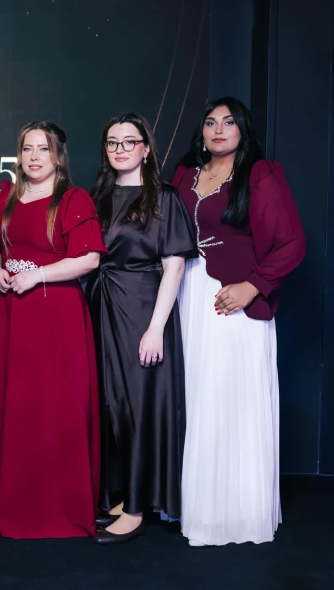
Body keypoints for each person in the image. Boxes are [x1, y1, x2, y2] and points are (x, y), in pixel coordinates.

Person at [172, 97, 305, 546]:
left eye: (228, 122)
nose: (218, 129)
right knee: (195, 397)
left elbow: (292, 243)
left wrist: (254, 285)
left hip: (235, 299)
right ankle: (194, 505)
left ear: (242, 130)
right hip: (188, 295)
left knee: (230, 398)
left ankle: (235, 513)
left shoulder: (260, 174)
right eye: (210, 122)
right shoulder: (185, 174)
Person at [0, 121, 106, 539]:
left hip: (57, 317)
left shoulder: (72, 199)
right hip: (14, 314)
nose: (34, 157)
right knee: (20, 408)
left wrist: (37, 275)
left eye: (43, 149)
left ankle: (59, 507)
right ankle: (17, 503)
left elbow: (89, 259)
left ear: (58, 156)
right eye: (27, 149)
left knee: (56, 408)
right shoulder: (5, 198)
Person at [86, 113, 196, 545]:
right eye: (112, 143)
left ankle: (135, 510)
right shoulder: (98, 195)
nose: (120, 149)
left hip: (142, 308)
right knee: (110, 405)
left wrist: (155, 329)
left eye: (129, 142)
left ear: (146, 149)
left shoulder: (164, 197)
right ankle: (122, 497)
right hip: (102, 305)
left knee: (137, 407)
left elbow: (174, 268)